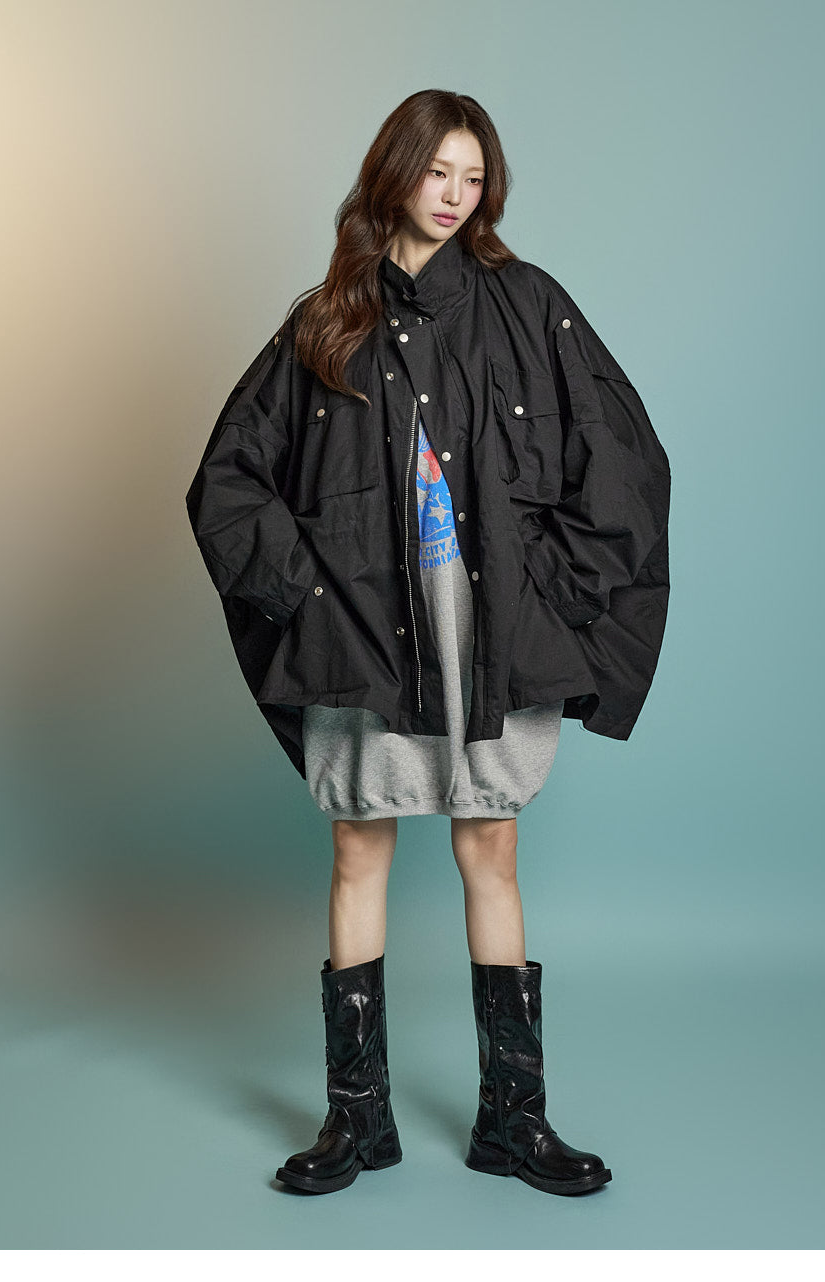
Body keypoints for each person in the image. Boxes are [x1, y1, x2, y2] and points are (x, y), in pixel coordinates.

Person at [185, 90, 671, 1196]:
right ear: (394, 173)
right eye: (437, 171)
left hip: (493, 633)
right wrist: (309, 599)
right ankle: (356, 1121)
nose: (455, 196)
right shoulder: (327, 321)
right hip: (366, 635)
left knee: (490, 849)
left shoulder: (528, 304)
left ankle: (514, 1120)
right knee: (359, 851)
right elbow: (228, 479)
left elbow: (624, 457)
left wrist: (558, 595)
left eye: (473, 177)